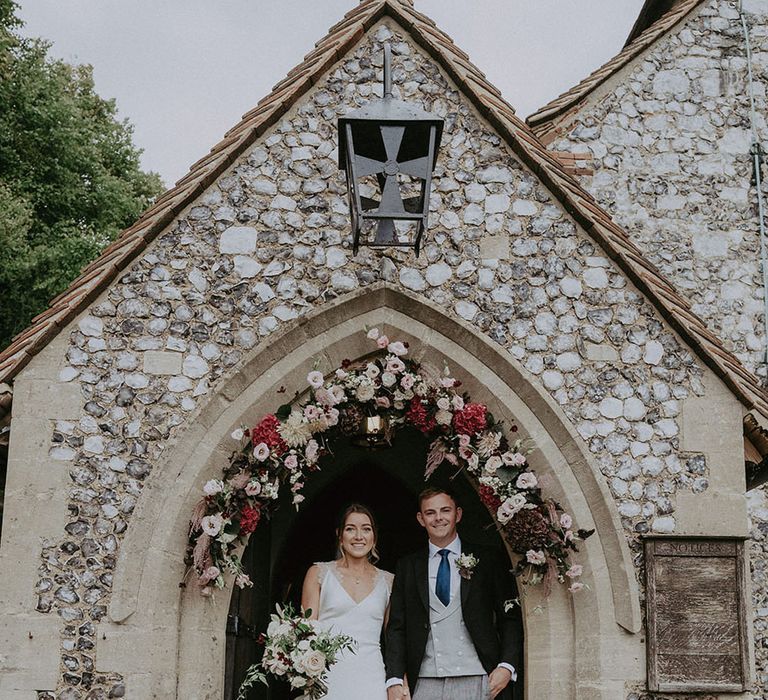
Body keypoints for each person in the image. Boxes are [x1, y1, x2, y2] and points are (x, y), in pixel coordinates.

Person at [385, 487, 523, 700]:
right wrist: (394, 678)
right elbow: (397, 627)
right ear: (421, 519)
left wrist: (506, 666)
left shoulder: (488, 559)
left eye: (445, 511)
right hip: (424, 679)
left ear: (457, 514)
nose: (438, 518)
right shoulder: (408, 566)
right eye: (430, 513)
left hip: (478, 675)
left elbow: (510, 618)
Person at [301, 504, 396, 700]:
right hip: (328, 676)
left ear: (374, 537)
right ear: (340, 535)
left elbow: (394, 638)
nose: (358, 536)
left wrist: (398, 680)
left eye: (366, 529)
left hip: (372, 677)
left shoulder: (389, 581)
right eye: (350, 529)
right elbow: (306, 632)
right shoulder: (318, 573)